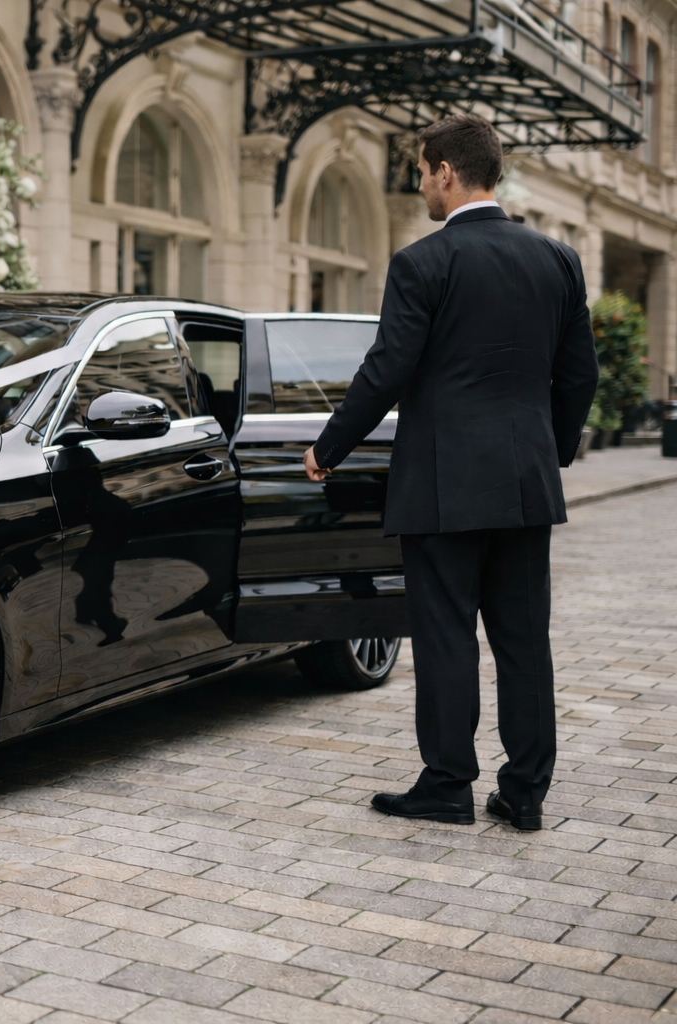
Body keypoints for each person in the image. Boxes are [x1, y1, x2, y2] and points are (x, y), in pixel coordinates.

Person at [303, 114, 598, 831]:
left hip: (442, 486)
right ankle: (525, 794)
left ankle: (446, 786)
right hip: (525, 484)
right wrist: (548, 450)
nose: (418, 183)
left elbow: (387, 369)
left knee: (446, 638)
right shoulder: (558, 259)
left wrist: (329, 447)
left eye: (420, 168)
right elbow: (580, 376)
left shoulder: (421, 263)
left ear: (447, 171)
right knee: (524, 643)